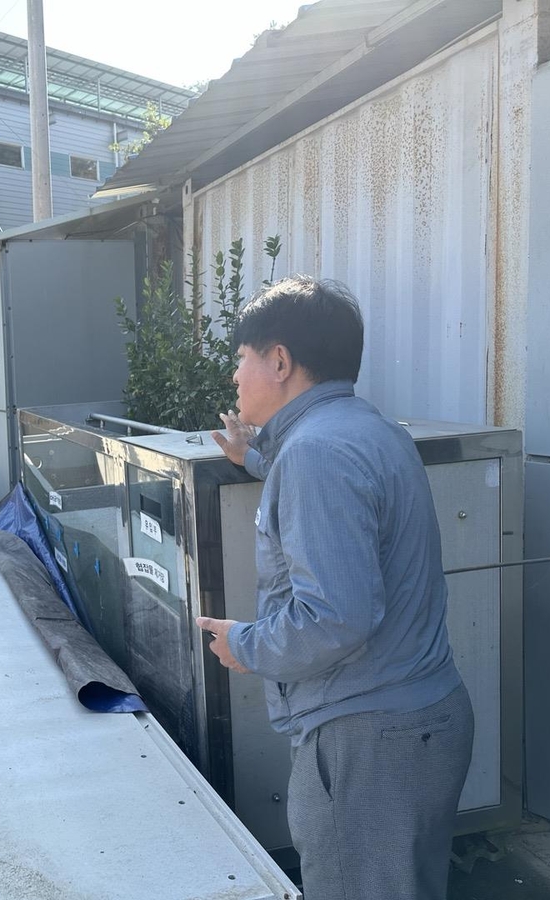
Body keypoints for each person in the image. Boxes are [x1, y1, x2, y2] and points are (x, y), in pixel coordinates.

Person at [198, 276, 474, 900]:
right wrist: (251, 458)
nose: (235, 376)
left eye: (241, 358)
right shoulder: (369, 430)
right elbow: (324, 488)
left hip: (367, 746)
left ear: (280, 361)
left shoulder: (316, 454)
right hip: (415, 726)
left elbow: (337, 619)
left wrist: (244, 644)